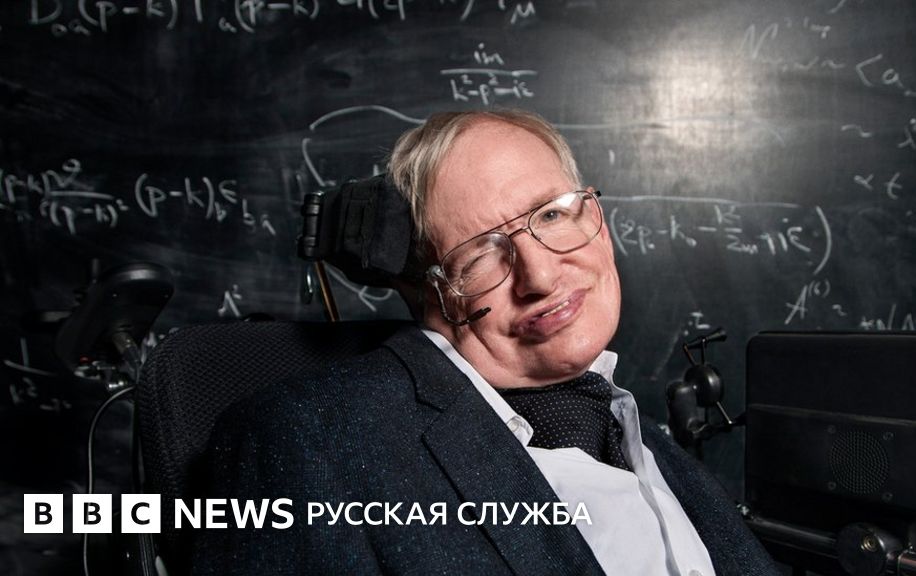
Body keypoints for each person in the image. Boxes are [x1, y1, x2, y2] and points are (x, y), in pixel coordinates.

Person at [193, 109, 778, 575]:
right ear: (427, 291)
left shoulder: (639, 436)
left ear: (596, 218)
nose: (540, 277)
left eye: (551, 215)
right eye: (478, 256)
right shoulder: (307, 443)